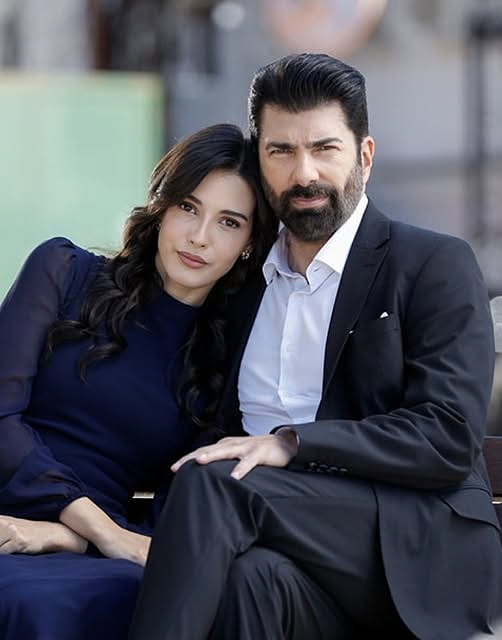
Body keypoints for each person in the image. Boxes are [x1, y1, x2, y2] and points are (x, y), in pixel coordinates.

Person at [128, 53, 502, 640]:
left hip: (408, 545)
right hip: (284, 555)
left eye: (324, 148)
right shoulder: (243, 284)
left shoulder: (432, 263)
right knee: (250, 581)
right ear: (259, 161)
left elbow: (447, 435)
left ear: (364, 156)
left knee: (216, 483)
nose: (304, 174)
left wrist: (290, 444)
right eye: (281, 151)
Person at [0, 123, 277, 640]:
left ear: (248, 244)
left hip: (93, 554)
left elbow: (182, 505)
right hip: (47, 523)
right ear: (162, 207)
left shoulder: (222, 365)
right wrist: (94, 528)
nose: (199, 237)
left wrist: (68, 536)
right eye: (188, 208)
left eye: (228, 222)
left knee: (77, 602)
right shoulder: (62, 271)